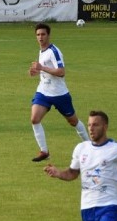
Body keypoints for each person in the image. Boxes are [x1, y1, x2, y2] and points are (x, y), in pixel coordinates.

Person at [28, 23, 89, 162]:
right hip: (43, 92)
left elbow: (61, 72)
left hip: (59, 94)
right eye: (38, 35)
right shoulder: (42, 51)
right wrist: (36, 71)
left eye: (43, 34)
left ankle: (90, 145)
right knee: (34, 119)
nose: (40, 37)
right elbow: (45, 69)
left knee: (73, 122)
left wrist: (42, 67)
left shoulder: (54, 51)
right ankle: (44, 151)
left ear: (48, 35)